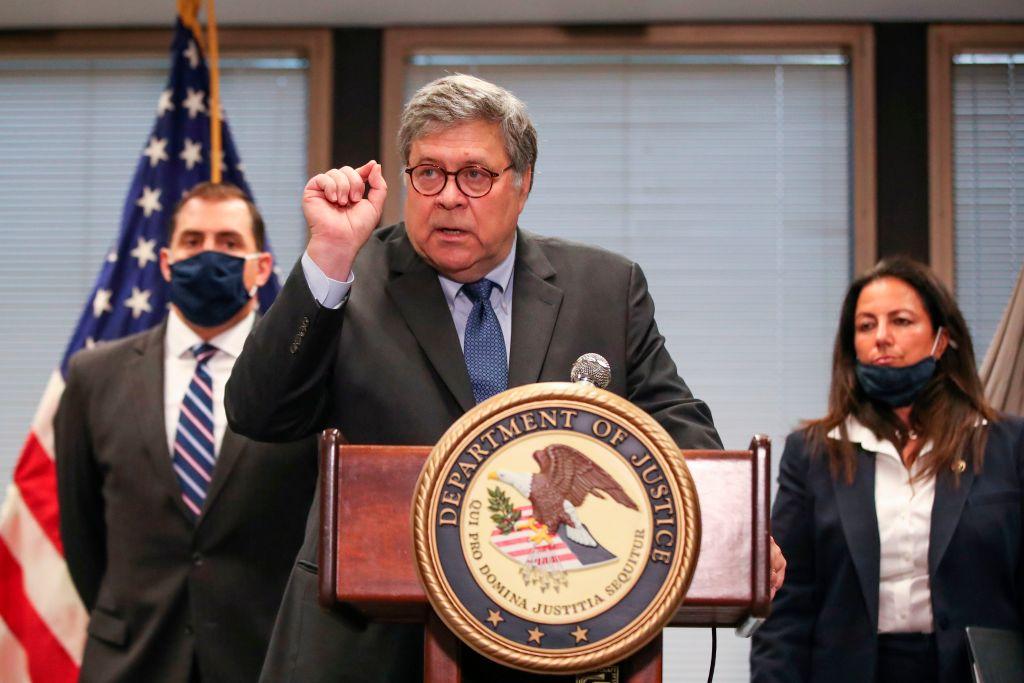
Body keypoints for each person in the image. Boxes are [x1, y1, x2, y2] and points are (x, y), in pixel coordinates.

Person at [226, 74, 783, 682]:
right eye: (428, 173)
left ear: (523, 184)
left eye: (475, 175)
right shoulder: (349, 279)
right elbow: (259, 413)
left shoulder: (604, 288)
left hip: (552, 637)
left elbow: (677, 425)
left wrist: (736, 532)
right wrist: (330, 256)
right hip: (366, 648)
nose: (448, 196)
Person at [55, 182, 318, 683]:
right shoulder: (94, 376)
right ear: (166, 261)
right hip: (132, 658)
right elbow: (81, 528)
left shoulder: (304, 377)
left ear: (261, 267)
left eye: (229, 242)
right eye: (193, 241)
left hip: (264, 659)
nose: (209, 254)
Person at [750, 257, 1023, 682]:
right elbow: (787, 605)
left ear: (941, 339)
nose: (881, 338)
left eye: (901, 321)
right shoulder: (814, 453)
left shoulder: (1007, 444)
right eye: (865, 326)